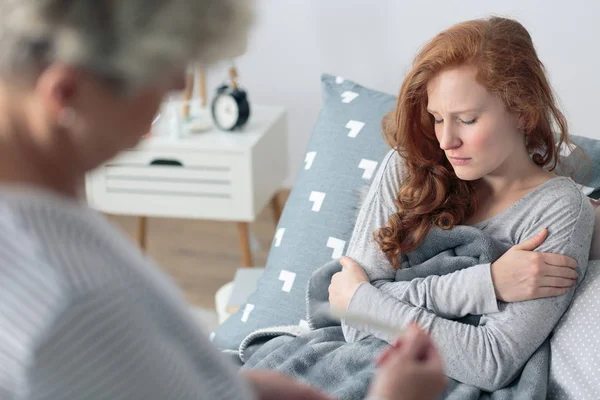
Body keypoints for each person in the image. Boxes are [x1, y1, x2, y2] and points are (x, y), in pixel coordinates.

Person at [0, 1, 446, 399]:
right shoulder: (73, 301)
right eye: (160, 87)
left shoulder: (40, 215)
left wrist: (229, 386)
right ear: (66, 94)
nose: (159, 114)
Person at [328, 16, 595, 393]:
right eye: (437, 119)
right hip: (352, 367)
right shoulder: (409, 165)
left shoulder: (560, 211)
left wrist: (367, 300)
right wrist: (486, 284)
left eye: (467, 120)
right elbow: (350, 322)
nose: (446, 140)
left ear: (523, 111)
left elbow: (491, 362)